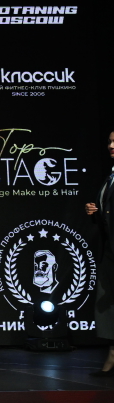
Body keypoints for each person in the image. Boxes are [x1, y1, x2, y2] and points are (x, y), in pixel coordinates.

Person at [87, 131, 114, 375]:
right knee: (107, 305)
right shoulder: (111, 177)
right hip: (109, 250)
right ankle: (112, 355)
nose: (111, 145)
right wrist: (95, 211)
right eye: (109, 141)